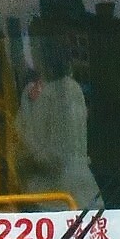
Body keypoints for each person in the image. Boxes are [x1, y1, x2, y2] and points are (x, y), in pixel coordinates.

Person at [14, 32, 100, 209]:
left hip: (69, 197)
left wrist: (27, 155)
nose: (33, 52)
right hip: (38, 199)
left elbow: (58, 155)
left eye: (37, 47)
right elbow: (17, 133)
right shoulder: (30, 90)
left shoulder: (67, 90)